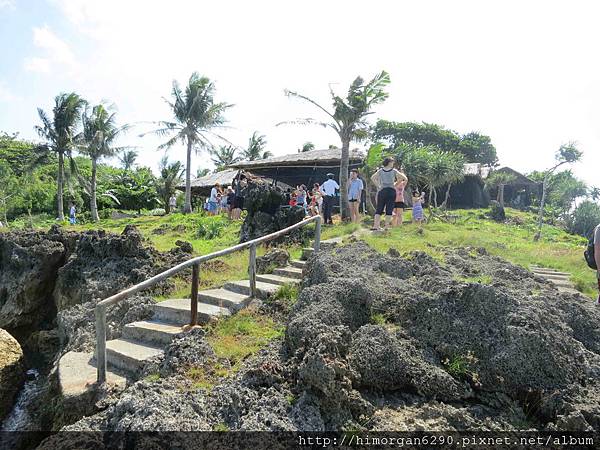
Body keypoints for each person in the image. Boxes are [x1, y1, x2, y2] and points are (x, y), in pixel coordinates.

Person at [370, 158, 407, 231]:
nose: (393, 164)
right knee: (389, 209)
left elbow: (372, 178)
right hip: (391, 191)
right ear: (389, 162)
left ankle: (376, 226)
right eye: (392, 162)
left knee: (379, 209)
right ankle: (386, 226)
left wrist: (378, 186)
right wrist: (396, 183)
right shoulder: (394, 171)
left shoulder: (380, 171)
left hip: (382, 190)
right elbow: (404, 178)